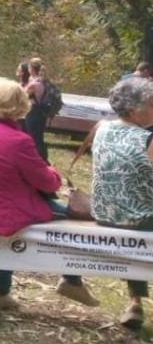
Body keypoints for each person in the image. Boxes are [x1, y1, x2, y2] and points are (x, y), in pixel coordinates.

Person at [0, 77, 92, 309]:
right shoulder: (18, 140)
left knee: (7, 223)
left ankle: (3, 290)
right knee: (71, 220)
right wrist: (53, 172)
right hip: (2, 212)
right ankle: (71, 278)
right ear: (20, 105)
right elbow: (48, 184)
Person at [91, 76, 153, 329]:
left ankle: (135, 303)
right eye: (151, 103)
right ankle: (134, 304)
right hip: (137, 219)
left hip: (104, 212)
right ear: (134, 108)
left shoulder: (101, 127)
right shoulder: (147, 139)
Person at [23, 57, 54, 162]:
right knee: (38, 137)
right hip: (42, 113)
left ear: (31, 68)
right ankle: (42, 159)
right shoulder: (44, 82)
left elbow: (22, 95)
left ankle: (38, 160)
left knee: (32, 137)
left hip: (33, 112)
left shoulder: (34, 84)